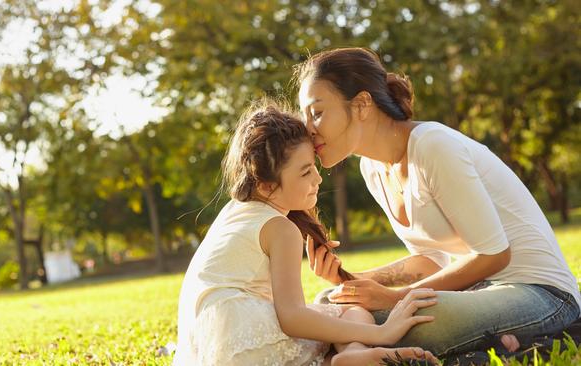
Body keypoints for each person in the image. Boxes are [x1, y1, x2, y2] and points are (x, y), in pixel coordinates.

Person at [293, 47, 581, 357]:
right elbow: (430, 260)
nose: (308, 129)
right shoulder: (372, 169)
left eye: (317, 113)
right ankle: (492, 349)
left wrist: (396, 299)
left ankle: (362, 349)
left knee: (401, 322)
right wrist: (351, 281)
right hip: (479, 292)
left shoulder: (432, 146)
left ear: (362, 104)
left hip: (541, 294)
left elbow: (495, 255)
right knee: (331, 301)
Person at [173, 102, 439, 365]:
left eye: (314, 166)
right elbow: (293, 318)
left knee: (323, 345)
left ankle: (341, 359)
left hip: (212, 349)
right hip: (247, 337)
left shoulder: (234, 211)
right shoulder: (280, 228)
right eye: (305, 171)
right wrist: (381, 332)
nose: (318, 179)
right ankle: (352, 355)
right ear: (266, 185)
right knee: (351, 312)